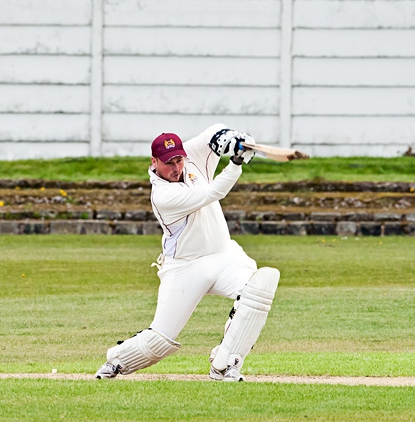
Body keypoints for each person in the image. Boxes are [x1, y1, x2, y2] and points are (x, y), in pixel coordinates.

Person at [95, 123, 280, 382]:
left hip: (225, 256)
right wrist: (235, 161)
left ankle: (226, 364)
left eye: (179, 160)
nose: (176, 168)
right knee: (159, 341)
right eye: (169, 162)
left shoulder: (190, 157)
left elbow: (212, 132)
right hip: (185, 267)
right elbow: (214, 192)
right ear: (154, 162)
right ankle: (116, 361)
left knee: (258, 290)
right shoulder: (163, 196)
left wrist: (230, 137)